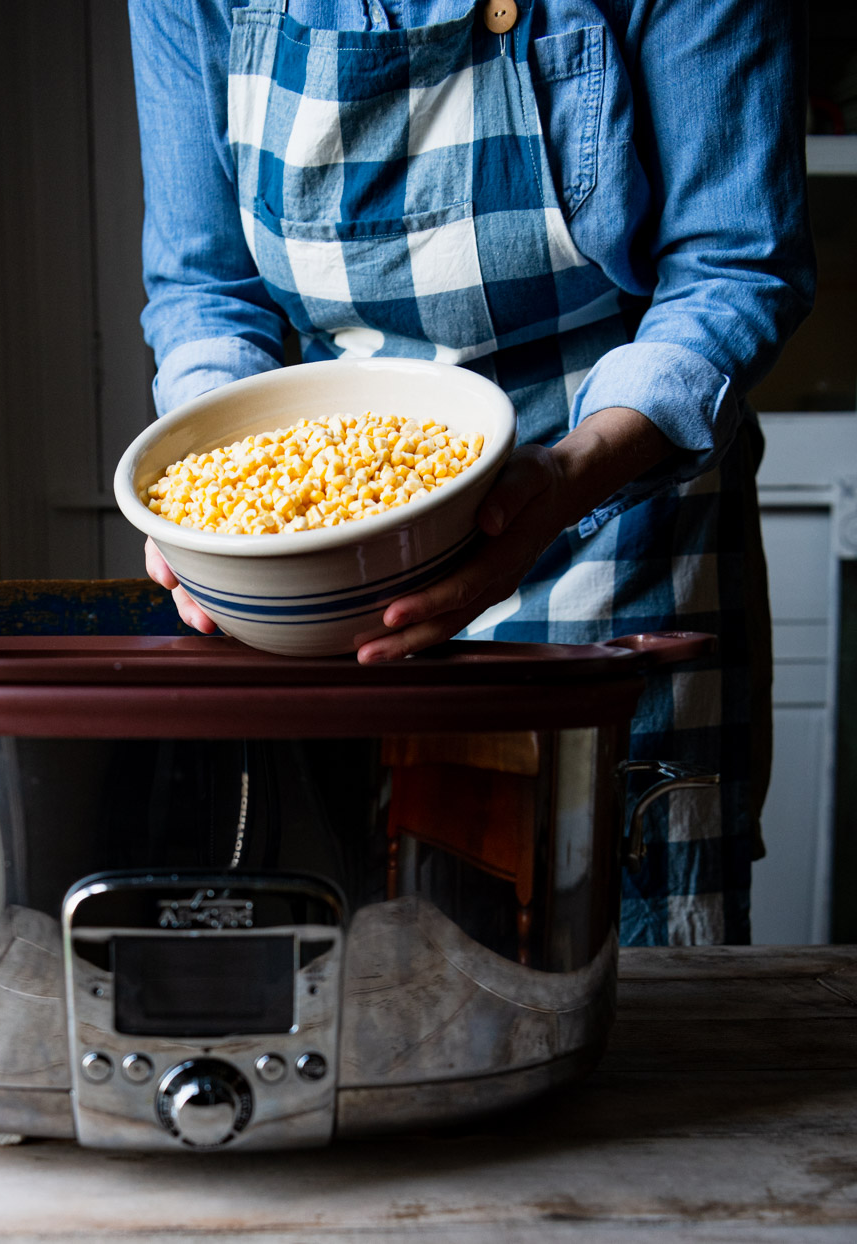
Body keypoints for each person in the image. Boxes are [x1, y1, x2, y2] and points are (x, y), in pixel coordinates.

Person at [126, 0, 814, 945]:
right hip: (332, 558)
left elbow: (731, 263)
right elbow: (207, 289)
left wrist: (569, 478)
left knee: (613, 957)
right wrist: (210, 485)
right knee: (364, 947)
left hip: (618, 513)